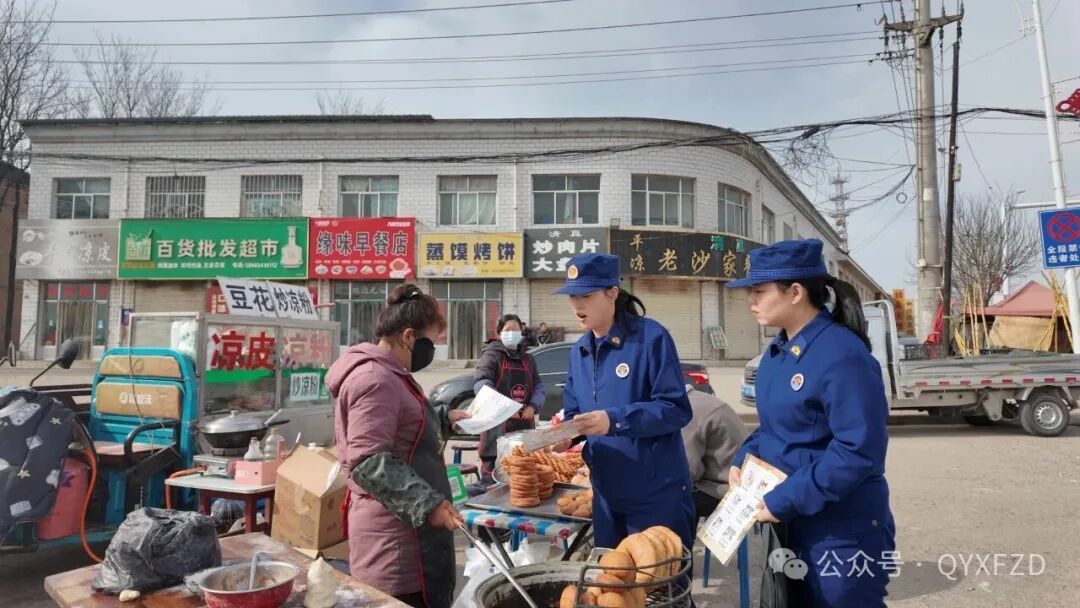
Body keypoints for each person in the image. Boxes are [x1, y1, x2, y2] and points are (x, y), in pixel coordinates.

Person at [726, 239, 895, 607]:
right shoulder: (776, 355)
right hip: (791, 523)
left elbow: (858, 451)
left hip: (839, 530)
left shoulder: (842, 355)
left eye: (759, 291)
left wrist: (785, 499)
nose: (750, 300)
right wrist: (744, 458)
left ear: (795, 292)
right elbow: (775, 427)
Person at [327, 284, 469, 608]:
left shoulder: (392, 373)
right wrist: (429, 505)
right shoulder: (375, 379)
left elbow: (403, 428)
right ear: (408, 337)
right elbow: (368, 462)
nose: (432, 351)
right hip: (397, 548)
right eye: (430, 342)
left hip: (412, 536)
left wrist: (444, 419)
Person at [553, 252, 696, 553]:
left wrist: (614, 420)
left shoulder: (650, 338)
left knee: (660, 579)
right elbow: (575, 413)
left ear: (612, 293)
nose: (577, 305)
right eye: (572, 296)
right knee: (612, 578)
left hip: (655, 493)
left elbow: (675, 409)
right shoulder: (579, 351)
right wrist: (564, 436)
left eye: (586, 295)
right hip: (605, 494)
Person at [473, 313, 546, 477]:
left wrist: (533, 406)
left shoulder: (528, 359)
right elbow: (481, 384)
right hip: (496, 428)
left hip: (524, 426)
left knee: (522, 474)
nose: (512, 333)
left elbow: (538, 385)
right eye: (508, 330)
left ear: (521, 332)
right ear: (499, 333)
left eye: (516, 330)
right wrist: (505, 408)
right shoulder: (491, 356)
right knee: (496, 476)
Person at [681, 385, 748, 519]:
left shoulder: (687, 412)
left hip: (726, 486)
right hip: (739, 476)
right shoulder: (697, 399)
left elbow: (689, 472)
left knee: (667, 503)